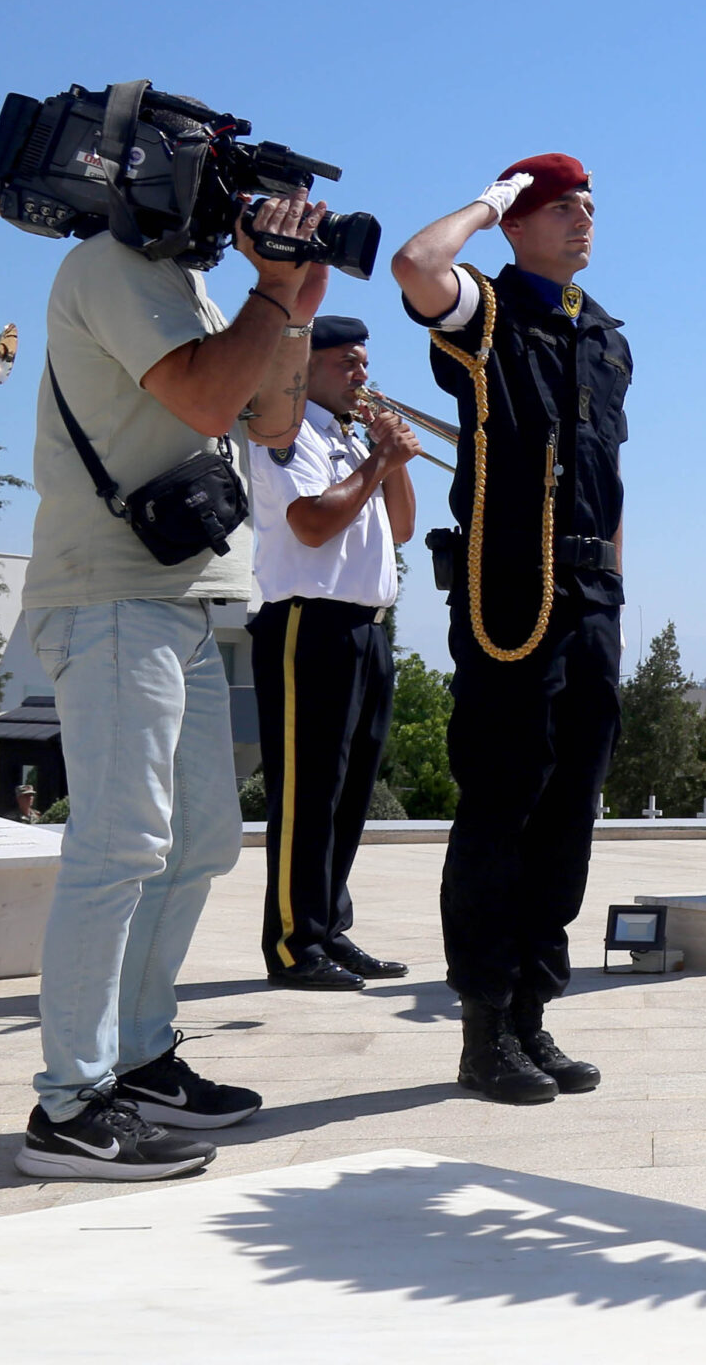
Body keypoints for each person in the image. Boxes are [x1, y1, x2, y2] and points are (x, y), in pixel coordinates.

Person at [16, 190, 328, 1180]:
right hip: (112, 594)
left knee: (198, 839)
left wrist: (293, 301)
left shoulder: (191, 288)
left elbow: (271, 420)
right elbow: (200, 402)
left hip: (187, 600)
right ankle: (68, 1104)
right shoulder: (110, 264)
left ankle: (142, 1058)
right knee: (118, 843)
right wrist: (268, 293)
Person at [390, 156, 627, 1104]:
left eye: (588, 209)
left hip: (588, 591)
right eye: (561, 208)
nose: (583, 221)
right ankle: (483, 1028)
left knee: (571, 805)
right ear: (519, 225)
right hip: (510, 590)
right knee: (504, 800)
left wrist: (614, 582)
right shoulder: (486, 312)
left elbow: (610, 479)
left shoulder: (603, 335)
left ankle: (533, 1013)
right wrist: (490, 202)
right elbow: (414, 265)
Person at [248, 315, 419, 990]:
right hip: (307, 624)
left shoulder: (348, 440)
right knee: (307, 793)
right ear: (307, 366)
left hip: (366, 629)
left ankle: (327, 927)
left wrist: (391, 461)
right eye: (348, 362)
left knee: (350, 794)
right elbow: (313, 525)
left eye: (363, 363)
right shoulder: (286, 434)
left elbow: (400, 528)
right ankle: (293, 943)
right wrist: (379, 461)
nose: (362, 376)